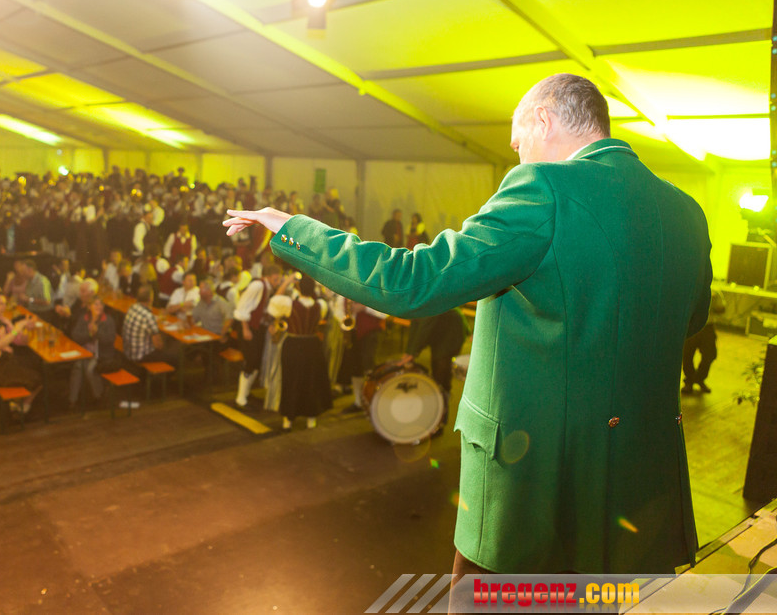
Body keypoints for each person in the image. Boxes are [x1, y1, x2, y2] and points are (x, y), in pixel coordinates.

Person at [224, 74, 713, 583]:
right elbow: (693, 318)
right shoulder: (687, 211)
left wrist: (293, 229)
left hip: (539, 485)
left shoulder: (545, 189)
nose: (518, 156)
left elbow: (412, 281)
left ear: (543, 120)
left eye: (518, 143)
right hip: (640, 490)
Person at [278, 275, 331, 430]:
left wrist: (287, 281)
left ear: (299, 288)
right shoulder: (321, 305)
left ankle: (288, 419)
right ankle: (311, 418)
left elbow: (275, 301)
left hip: (293, 344)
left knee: (291, 380)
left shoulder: (288, 304)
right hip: (312, 345)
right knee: (311, 381)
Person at [232, 264, 285, 408]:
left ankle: (245, 393)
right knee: (250, 361)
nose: (277, 282)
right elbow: (242, 307)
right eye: (275, 279)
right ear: (267, 277)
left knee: (255, 362)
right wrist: (245, 329)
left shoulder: (267, 288)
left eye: (279, 280)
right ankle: (240, 399)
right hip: (248, 327)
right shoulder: (258, 285)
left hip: (256, 328)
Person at [399, 308, 467, 393]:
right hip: (440, 331)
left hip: (452, 331)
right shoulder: (414, 304)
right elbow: (416, 323)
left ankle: (443, 395)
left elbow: (425, 326)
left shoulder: (424, 303)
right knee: (437, 365)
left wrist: (413, 353)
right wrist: (409, 351)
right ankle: (440, 393)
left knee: (441, 368)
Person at [682, 288, 725, 394]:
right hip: (691, 325)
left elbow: (722, 309)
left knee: (709, 355)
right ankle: (689, 380)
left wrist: (712, 303)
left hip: (707, 327)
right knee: (687, 354)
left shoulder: (714, 291)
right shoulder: (690, 288)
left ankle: (699, 378)